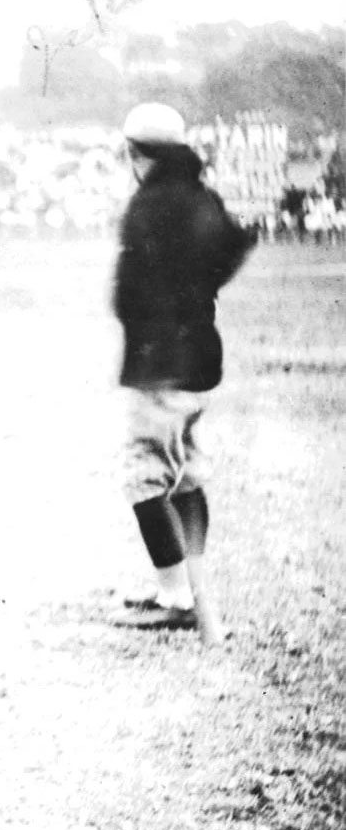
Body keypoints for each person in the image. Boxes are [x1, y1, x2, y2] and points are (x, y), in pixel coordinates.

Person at [107, 102, 254, 643]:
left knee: (144, 473)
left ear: (134, 153)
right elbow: (234, 249)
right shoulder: (201, 195)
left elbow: (128, 294)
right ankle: (193, 591)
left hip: (160, 363)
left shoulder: (149, 203)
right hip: (201, 357)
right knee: (187, 472)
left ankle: (175, 597)